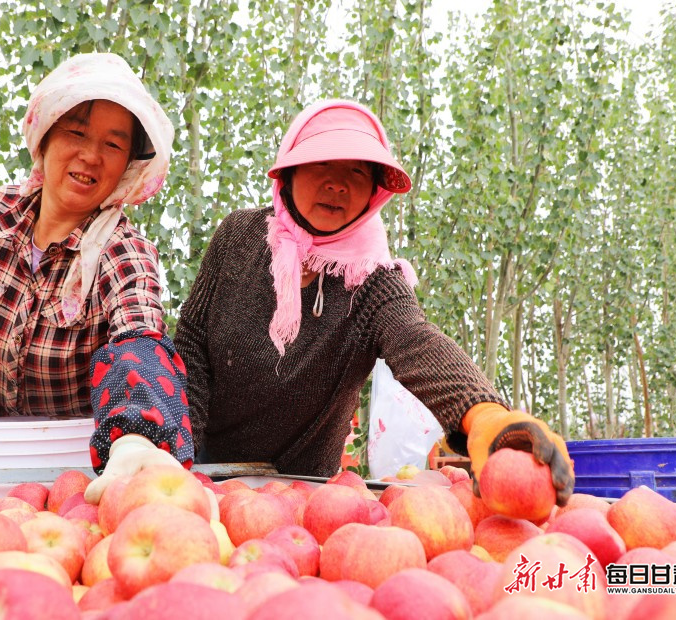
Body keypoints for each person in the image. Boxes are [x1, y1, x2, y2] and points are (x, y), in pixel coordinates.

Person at [169, 99, 574, 504]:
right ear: (288, 173)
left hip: (305, 494)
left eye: (357, 172)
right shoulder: (238, 237)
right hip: (205, 471)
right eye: (322, 163)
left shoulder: (371, 280)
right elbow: (192, 343)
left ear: (374, 194)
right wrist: (180, 457)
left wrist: (483, 412)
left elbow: (416, 340)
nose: (337, 184)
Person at [0, 53, 193, 488]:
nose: (91, 155)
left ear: (129, 164)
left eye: (113, 145)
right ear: (45, 136)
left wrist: (135, 437)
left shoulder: (123, 251)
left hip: (77, 477)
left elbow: (138, 336)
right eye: (77, 132)